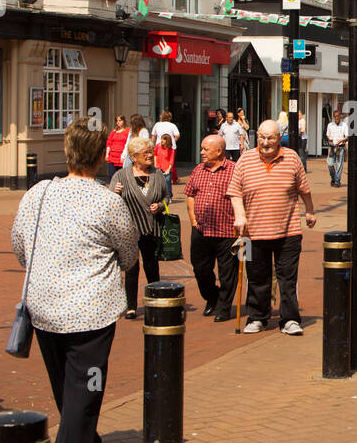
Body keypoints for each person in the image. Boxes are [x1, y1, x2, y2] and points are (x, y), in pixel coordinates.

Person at [12, 119, 138, 443]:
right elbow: (129, 253)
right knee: (86, 386)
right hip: (91, 311)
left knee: (65, 381)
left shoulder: (38, 193)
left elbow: (20, 245)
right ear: (100, 158)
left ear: (67, 153)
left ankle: (79, 434)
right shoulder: (107, 201)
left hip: (44, 305)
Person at [227, 120, 316, 335]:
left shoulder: (292, 158)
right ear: (256, 136)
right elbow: (234, 191)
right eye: (262, 137)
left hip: (288, 231)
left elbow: (304, 189)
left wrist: (310, 211)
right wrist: (239, 216)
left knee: (287, 277)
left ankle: (289, 320)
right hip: (252, 232)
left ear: (279, 138)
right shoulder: (245, 159)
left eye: (271, 138)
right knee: (257, 276)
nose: (266, 142)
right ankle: (257, 317)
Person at [111, 135, 173, 320]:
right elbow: (110, 201)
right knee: (131, 268)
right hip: (130, 229)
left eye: (150, 152)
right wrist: (114, 192)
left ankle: (154, 301)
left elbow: (167, 197)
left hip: (151, 228)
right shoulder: (121, 176)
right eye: (145, 153)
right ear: (133, 155)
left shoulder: (157, 174)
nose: (150, 155)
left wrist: (161, 206)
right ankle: (131, 306)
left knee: (151, 266)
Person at [186, 134, 239, 321]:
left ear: (219, 151)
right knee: (200, 269)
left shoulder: (234, 170)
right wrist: (193, 219)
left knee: (228, 273)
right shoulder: (198, 170)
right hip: (201, 229)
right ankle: (212, 297)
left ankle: (224, 308)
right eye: (201, 148)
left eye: (205, 149)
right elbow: (190, 194)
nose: (202, 152)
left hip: (226, 231)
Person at [326, 108, 348, 188]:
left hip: (340, 147)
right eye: (335, 116)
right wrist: (329, 138)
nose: (337, 118)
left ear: (340, 116)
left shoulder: (344, 125)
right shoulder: (330, 125)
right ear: (333, 117)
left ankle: (337, 181)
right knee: (330, 164)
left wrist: (341, 140)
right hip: (332, 147)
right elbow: (327, 135)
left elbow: (347, 136)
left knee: (339, 165)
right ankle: (334, 178)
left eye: (338, 116)